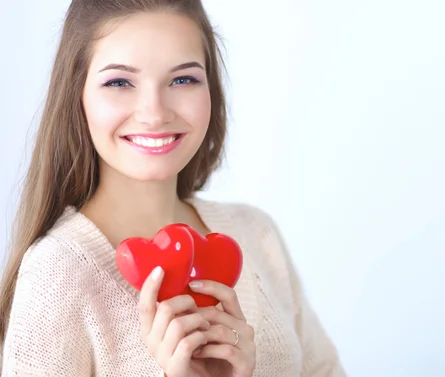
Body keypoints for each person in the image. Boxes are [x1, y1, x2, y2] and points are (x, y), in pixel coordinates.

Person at [0, 0, 346, 376]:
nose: (155, 112)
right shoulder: (58, 275)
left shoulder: (258, 235)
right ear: (77, 95)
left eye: (183, 79)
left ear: (211, 89)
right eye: (119, 82)